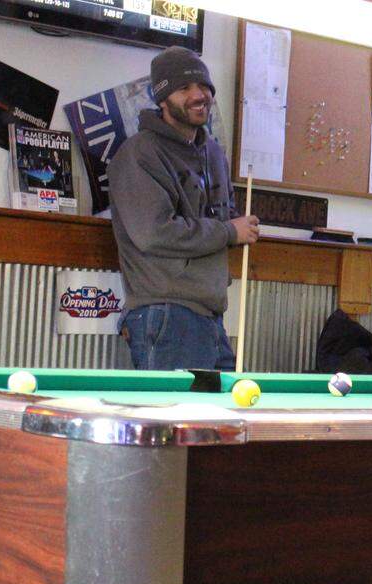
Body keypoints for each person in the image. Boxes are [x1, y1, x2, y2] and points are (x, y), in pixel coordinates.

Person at [110, 46, 259, 371]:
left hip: (210, 315)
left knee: (214, 421)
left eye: (203, 86)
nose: (198, 95)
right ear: (162, 98)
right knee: (174, 421)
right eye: (184, 88)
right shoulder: (139, 153)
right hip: (165, 315)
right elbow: (154, 233)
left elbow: (225, 223)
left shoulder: (214, 153)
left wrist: (237, 228)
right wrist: (229, 231)